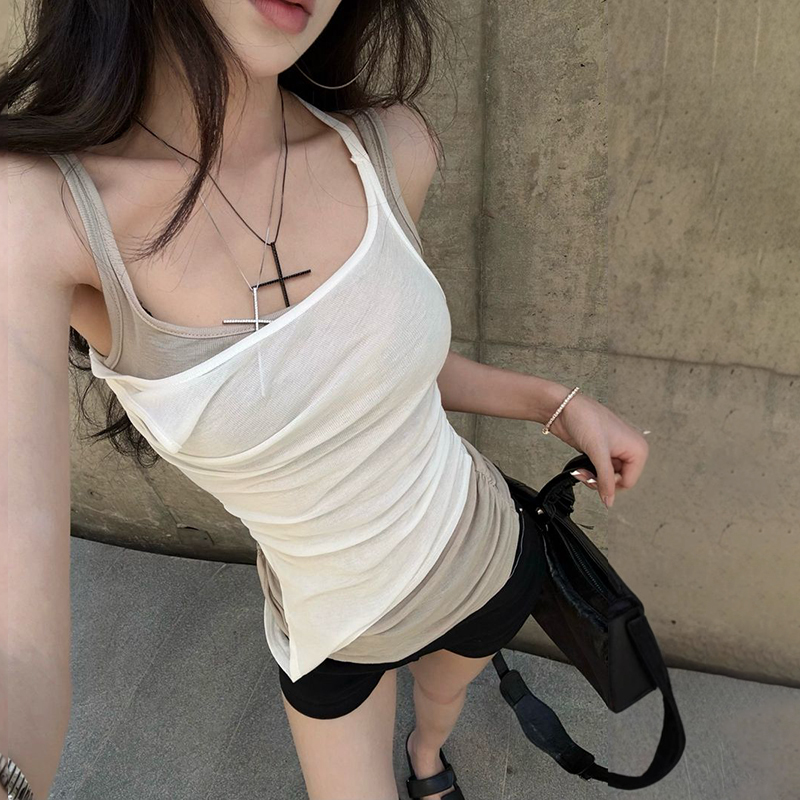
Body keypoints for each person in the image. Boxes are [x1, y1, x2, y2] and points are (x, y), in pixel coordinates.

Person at [1, 1, 648, 798]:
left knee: (443, 702)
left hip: (483, 554)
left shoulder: (393, 147)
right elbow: (18, 642)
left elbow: (380, 365)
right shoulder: (39, 217)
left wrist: (560, 404)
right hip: (333, 632)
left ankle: (426, 756)